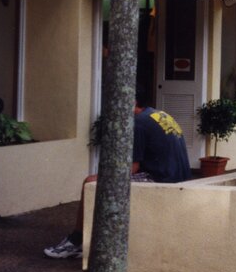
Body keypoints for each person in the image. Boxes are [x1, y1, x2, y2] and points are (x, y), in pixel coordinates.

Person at [43, 95, 191, 259]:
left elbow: (132, 168)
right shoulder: (158, 114)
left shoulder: (138, 123)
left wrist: (106, 173)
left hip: (160, 179)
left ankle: (76, 241)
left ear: (133, 101)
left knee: (90, 182)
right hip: (180, 177)